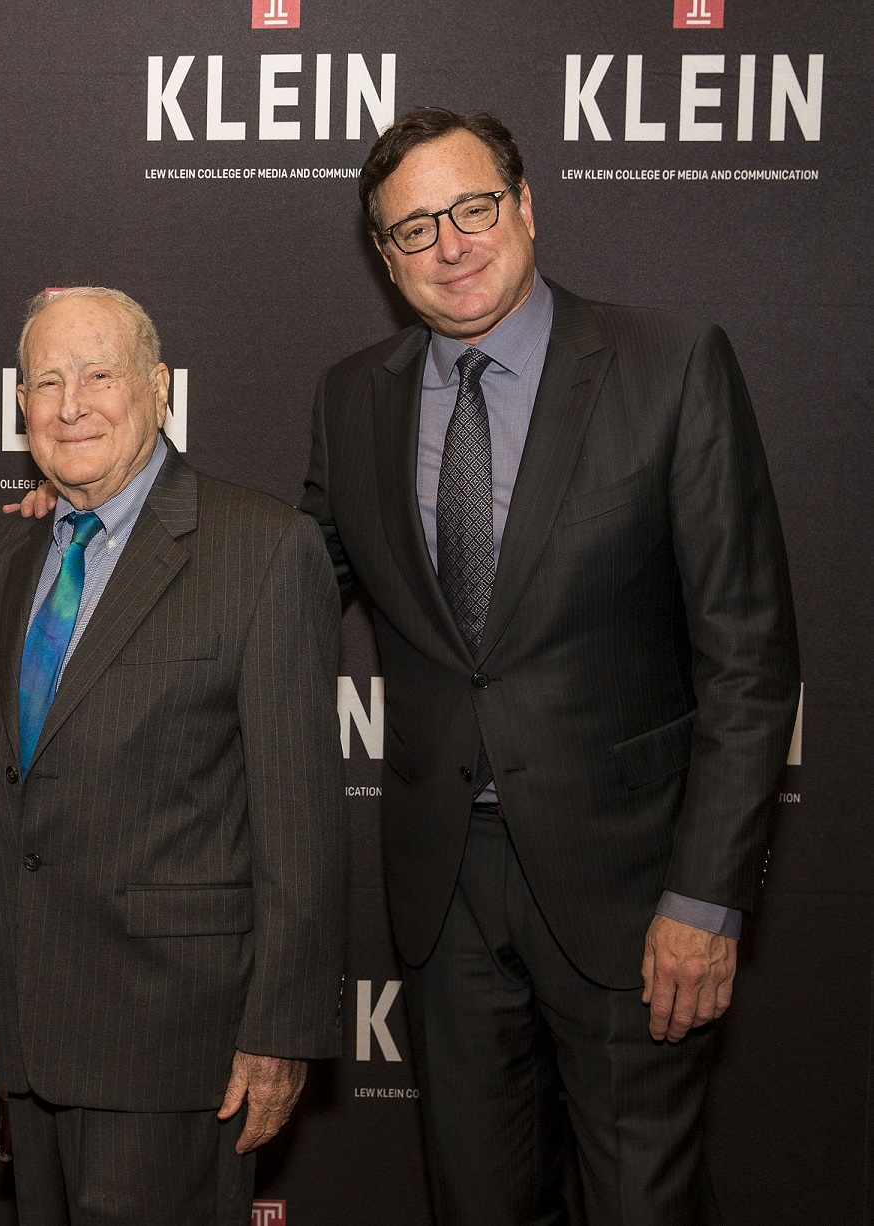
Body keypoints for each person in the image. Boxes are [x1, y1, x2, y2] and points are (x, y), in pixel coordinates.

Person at [300, 107, 799, 1223]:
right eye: (415, 227)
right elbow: (289, 576)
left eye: (473, 207)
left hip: (634, 892)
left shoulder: (669, 362)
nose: (452, 244)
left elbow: (751, 658)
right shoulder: (353, 396)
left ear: (525, 207)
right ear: (387, 260)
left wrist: (706, 898)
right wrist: (105, 509)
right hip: (445, 892)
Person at [0, 287, 345, 1226]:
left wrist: (279, 1033)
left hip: (177, 1045)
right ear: (18, 408)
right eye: (45, 381)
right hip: (24, 1041)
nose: (70, 403)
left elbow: (299, 819)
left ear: (158, 390)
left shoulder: (262, 550)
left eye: (97, 374)